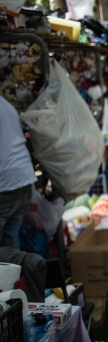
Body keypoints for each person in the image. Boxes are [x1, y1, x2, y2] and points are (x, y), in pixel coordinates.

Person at [0, 96, 36, 249]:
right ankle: (14, 273)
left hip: (6, 181)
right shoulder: (5, 104)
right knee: (10, 240)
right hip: (23, 176)